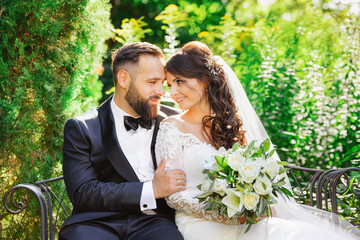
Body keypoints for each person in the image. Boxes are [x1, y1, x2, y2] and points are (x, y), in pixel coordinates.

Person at [155, 41, 360, 240]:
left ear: (205, 79)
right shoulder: (173, 127)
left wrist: (258, 205)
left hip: (245, 221)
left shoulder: (229, 125)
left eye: (180, 81)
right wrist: (228, 216)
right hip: (201, 225)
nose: (172, 93)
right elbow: (174, 197)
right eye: (170, 84)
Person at [59, 42, 186, 240]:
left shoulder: (174, 122)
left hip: (153, 223)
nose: (161, 91)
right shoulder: (82, 128)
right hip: (96, 223)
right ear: (123, 79)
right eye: (152, 82)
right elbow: (83, 193)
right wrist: (151, 189)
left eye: (162, 83)